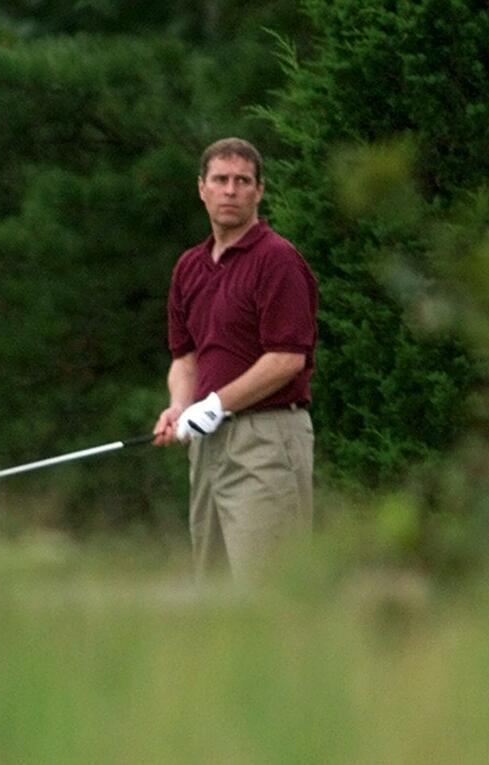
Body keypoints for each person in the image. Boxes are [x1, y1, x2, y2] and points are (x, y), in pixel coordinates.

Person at [153, 137, 318, 583]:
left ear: (259, 192)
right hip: (208, 444)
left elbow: (287, 358)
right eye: (220, 180)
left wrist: (216, 403)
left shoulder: (277, 261)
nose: (230, 190)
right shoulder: (189, 267)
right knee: (216, 588)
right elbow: (185, 357)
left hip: (266, 438)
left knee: (269, 587)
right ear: (202, 189)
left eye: (242, 181)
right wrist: (179, 406)